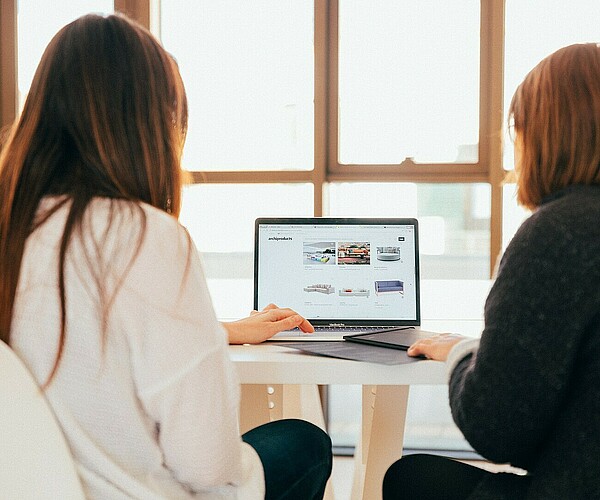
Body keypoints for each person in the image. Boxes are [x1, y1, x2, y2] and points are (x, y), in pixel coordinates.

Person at [0, 13, 331, 499]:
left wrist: (223, 332)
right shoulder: (145, 238)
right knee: (304, 443)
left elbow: (76, 345)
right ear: (152, 125)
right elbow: (206, 464)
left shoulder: (12, 225)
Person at [383, 42, 600, 499]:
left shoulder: (557, 234)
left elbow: (498, 430)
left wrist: (464, 354)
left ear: (544, 135)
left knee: (409, 479)